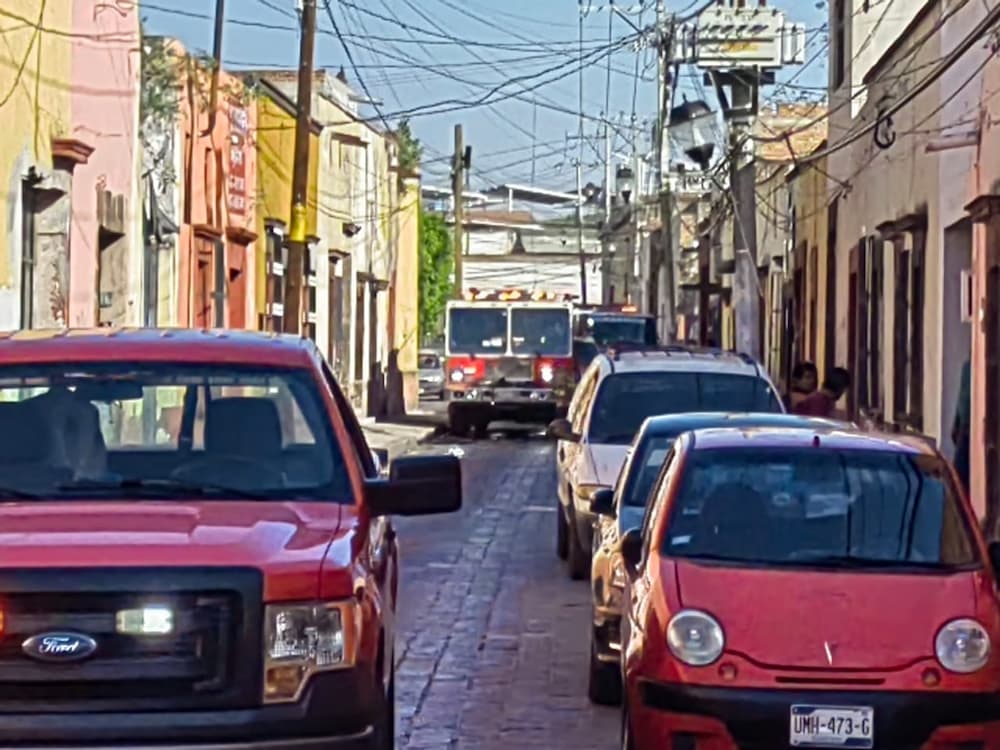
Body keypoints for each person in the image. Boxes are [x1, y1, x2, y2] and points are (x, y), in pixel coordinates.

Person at [952, 359, 971, 493]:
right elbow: (962, 397)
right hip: (964, 426)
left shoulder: (970, 367)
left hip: (968, 425)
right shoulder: (967, 367)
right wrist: (956, 422)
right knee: (959, 473)